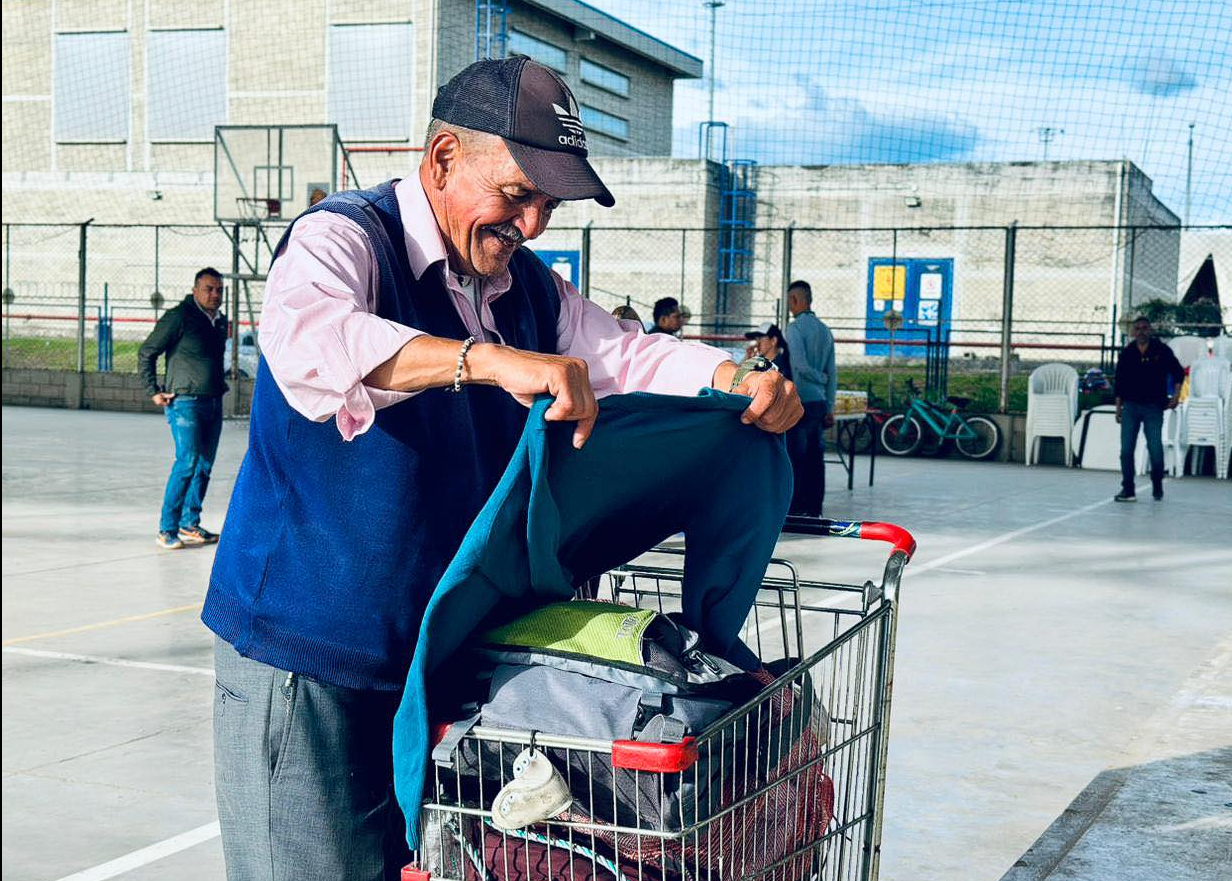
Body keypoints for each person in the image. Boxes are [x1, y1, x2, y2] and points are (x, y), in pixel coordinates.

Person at [202, 57, 802, 881]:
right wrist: (485, 361)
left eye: (548, 205)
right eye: (518, 193)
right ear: (443, 159)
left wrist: (736, 380)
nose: (532, 223)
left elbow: (622, 352)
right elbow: (310, 344)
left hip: (437, 657)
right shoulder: (343, 237)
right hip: (310, 654)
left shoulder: (525, 289)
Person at [137, 267, 228, 550]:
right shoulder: (179, 317)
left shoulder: (220, 321)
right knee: (187, 462)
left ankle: (190, 524)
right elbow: (147, 352)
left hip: (213, 400)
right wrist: (153, 391)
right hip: (185, 403)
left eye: (219, 290)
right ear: (195, 290)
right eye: (209, 289)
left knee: (204, 466)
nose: (215, 294)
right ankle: (167, 529)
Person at [1113, 316, 1183, 502]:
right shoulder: (1127, 353)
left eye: (1145, 328)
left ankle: (1157, 483)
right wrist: (1118, 407)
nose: (1141, 331)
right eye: (1138, 328)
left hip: (1153, 406)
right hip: (1131, 406)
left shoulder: (1161, 350)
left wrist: (1176, 397)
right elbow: (1119, 382)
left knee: (1155, 448)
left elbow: (1178, 373)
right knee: (1126, 450)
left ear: (1150, 330)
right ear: (1133, 332)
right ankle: (1128, 489)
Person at [782, 280, 837, 517]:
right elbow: (833, 372)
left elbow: (800, 366)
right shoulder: (825, 330)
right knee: (816, 456)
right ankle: (815, 507)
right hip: (820, 403)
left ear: (795, 300)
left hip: (801, 401)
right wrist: (830, 405)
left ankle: (798, 507)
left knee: (797, 455)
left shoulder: (794, 330)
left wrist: (818, 378)